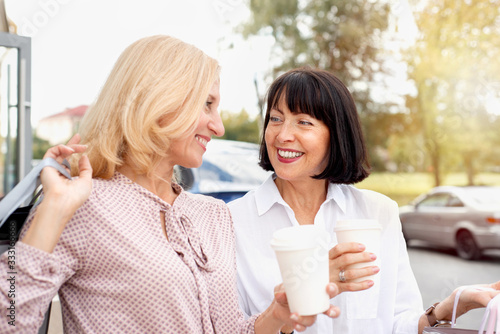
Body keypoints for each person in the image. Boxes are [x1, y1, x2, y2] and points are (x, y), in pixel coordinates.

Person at [0, 36, 341, 333]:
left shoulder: (213, 215)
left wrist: (276, 315)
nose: (219, 126)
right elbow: (8, 320)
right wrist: (53, 210)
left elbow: (230, 329)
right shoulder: (82, 203)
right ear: (157, 100)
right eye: (207, 104)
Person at [228, 67, 500, 334]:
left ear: (337, 135)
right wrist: (293, 302)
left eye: (304, 122)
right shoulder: (232, 222)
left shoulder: (379, 213)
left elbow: (397, 324)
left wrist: (447, 308)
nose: (283, 135)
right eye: (275, 119)